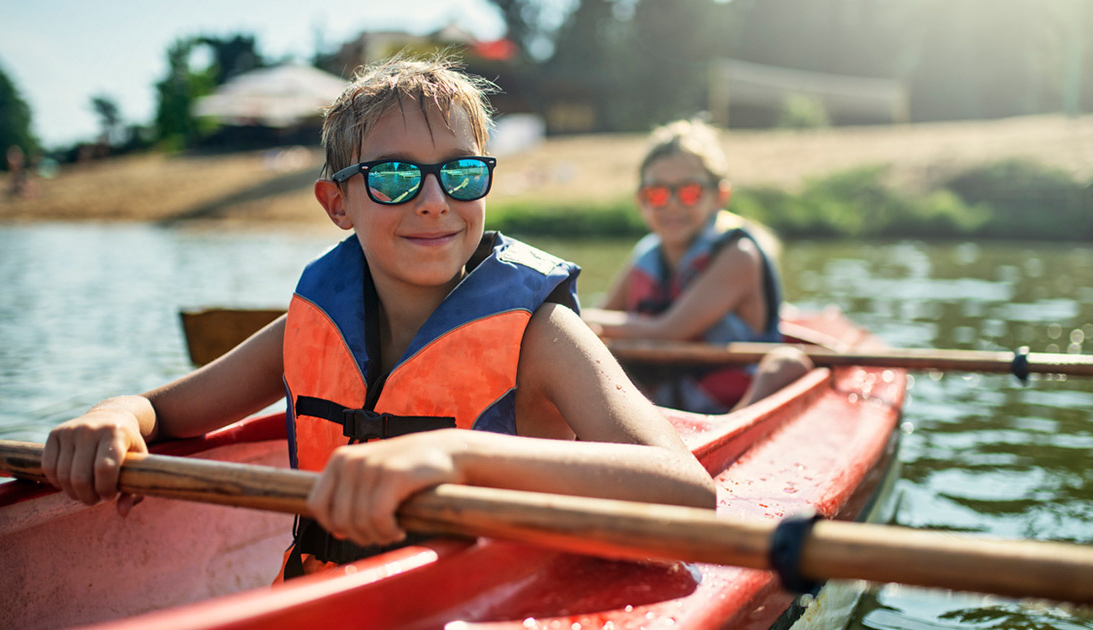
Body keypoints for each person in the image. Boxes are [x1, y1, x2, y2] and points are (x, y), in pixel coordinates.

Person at [39, 55, 716, 580]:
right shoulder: (312, 323)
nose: (433, 202)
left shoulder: (541, 335)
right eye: (394, 177)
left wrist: (455, 452)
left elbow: (686, 492)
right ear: (337, 203)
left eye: (461, 174)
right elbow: (165, 410)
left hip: (493, 601)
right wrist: (118, 414)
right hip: (331, 598)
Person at [585, 118, 812, 414]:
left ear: (720, 196)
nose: (672, 205)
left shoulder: (737, 255)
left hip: (732, 401)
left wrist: (584, 319)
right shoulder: (646, 254)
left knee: (786, 364)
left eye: (690, 191)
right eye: (657, 193)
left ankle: (733, 430)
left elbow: (668, 330)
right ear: (640, 199)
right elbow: (607, 315)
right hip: (663, 400)